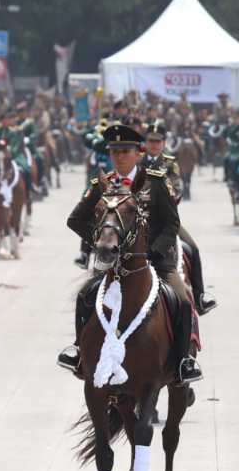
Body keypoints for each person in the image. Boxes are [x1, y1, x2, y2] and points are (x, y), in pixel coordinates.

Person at [59, 124, 203, 385]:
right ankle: (80, 353)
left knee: (182, 300)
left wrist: (152, 252)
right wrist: (103, 242)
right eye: (114, 152)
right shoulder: (102, 184)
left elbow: (171, 223)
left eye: (125, 151)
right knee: (85, 296)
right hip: (113, 264)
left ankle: (183, 362)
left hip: (155, 261)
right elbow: (75, 220)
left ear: (138, 153)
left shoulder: (156, 182)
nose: (119, 157)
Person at [141, 120, 215, 314]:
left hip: (164, 220)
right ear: (145, 142)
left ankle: (199, 297)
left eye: (158, 141)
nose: (154, 145)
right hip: (137, 219)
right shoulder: (136, 162)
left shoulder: (169, 164)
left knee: (193, 249)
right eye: (151, 140)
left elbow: (174, 187)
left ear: (164, 143)